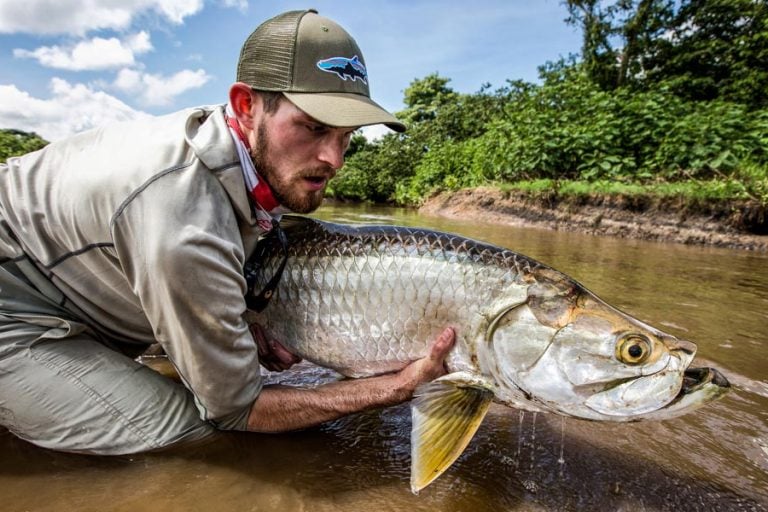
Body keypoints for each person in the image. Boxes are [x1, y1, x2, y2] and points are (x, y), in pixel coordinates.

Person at [0, 9, 455, 454]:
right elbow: (239, 411)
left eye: (346, 135)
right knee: (199, 432)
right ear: (245, 105)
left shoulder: (252, 158)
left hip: (63, 281)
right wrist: (389, 389)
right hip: (13, 310)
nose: (334, 158)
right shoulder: (183, 214)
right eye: (314, 127)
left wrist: (240, 321)